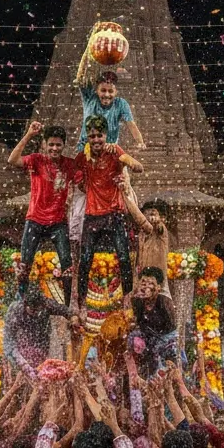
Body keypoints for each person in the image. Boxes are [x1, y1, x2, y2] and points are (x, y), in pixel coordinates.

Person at [75, 115, 144, 314]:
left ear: (106, 135)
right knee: (85, 259)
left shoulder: (114, 152)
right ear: (88, 137)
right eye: (92, 136)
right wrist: (80, 181)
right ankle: (81, 302)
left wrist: (129, 163)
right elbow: (74, 175)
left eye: (100, 136)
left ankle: (127, 298)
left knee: (123, 257)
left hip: (114, 214)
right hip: (92, 215)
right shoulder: (83, 156)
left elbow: (137, 166)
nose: (96, 140)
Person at [9, 120, 78, 303]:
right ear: (44, 144)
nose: (55, 148)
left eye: (58, 145)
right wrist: (29, 134)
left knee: (67, 265)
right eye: (51, 144)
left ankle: (70, 304)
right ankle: (22, 301)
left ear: (64, 145)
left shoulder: (69, 165)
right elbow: (12, 160)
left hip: (58, 222)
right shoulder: (36, 160)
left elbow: (85, 183)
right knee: (25, 265)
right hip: (35, 220)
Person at [120, 174, 170, 291]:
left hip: (157, 278)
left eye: (151, 214)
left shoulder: (160, 229)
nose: (148, 217)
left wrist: (125, 194)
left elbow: (156, 224)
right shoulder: (142, 232)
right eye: (146, 214)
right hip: (143, 276)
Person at [132, 267, 178, 377]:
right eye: (143, 282)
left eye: (150, 283)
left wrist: (161, 348)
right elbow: (136, 323)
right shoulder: (137, 301)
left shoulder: (164, 302)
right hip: (146, 347)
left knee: (163, 375)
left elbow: (173, 331)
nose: (146, 286)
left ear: (158, 287)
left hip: (166, 345)